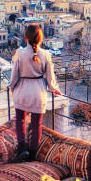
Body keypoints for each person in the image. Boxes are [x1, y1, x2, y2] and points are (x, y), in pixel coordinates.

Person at [9, 24, 61, 162]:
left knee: (20, 120)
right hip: (38, 93)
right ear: (40, 38)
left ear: (26, 37)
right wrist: (54, 89)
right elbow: (50, 77)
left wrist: (12, 87)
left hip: (22, 91)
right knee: (36, 124)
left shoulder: (19, 53)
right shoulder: (46, 54)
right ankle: (32, 155)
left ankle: (22, 149)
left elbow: (14, 76)